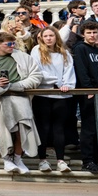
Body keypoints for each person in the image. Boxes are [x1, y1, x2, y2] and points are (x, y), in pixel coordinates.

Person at [0, 32, 42, 174]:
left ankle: (18, 158)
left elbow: (36, 76)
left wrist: (16, 85)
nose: (12, 46)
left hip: (20, 97)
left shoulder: (23, 57)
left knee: (23, 128)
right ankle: (7, 159)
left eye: (13, 43)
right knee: (4, 130)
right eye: (8, 44)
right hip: (0, 101)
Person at [31, 26, 75, 173]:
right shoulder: (36, 50)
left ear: (56, 36)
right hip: (43, 94)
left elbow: (69, 70)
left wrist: (66, 84)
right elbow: (37, 71)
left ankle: (60, 160)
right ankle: (42, 160)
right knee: (43, 128)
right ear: (41, 38)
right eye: (46, 36)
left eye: (51, 35)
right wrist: (56, 81)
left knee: (59, 128)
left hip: (61, 95)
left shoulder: (64, 53)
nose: (49, 38)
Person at [73, 20, 98, 174]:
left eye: (95, 33)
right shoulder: (80, 48)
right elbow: (81, 70)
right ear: (83, 34)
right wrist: (88, 89)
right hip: (90, 94)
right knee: (89, 128)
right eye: (89, 33)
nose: (92, 35)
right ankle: (88, 160)